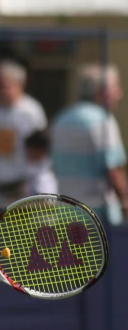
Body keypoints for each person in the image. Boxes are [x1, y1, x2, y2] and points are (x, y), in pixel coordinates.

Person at [52, 63, 127, 225]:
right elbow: (113, 170)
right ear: (102, 91)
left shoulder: (61, 119)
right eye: (115, 87)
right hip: (98, 217)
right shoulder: (104, 120)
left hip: (65, 215)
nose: (119, 94)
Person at [0, 60, 47, 199]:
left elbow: (38, 149)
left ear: (20, 86)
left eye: (4, 87)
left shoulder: (30, 111)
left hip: (20, 186)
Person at [24, 129, 57, 195]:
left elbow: (48, 202)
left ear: (40, 150)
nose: (27, 152)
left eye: (29, 149)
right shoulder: (34, 170)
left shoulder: (44, 175)